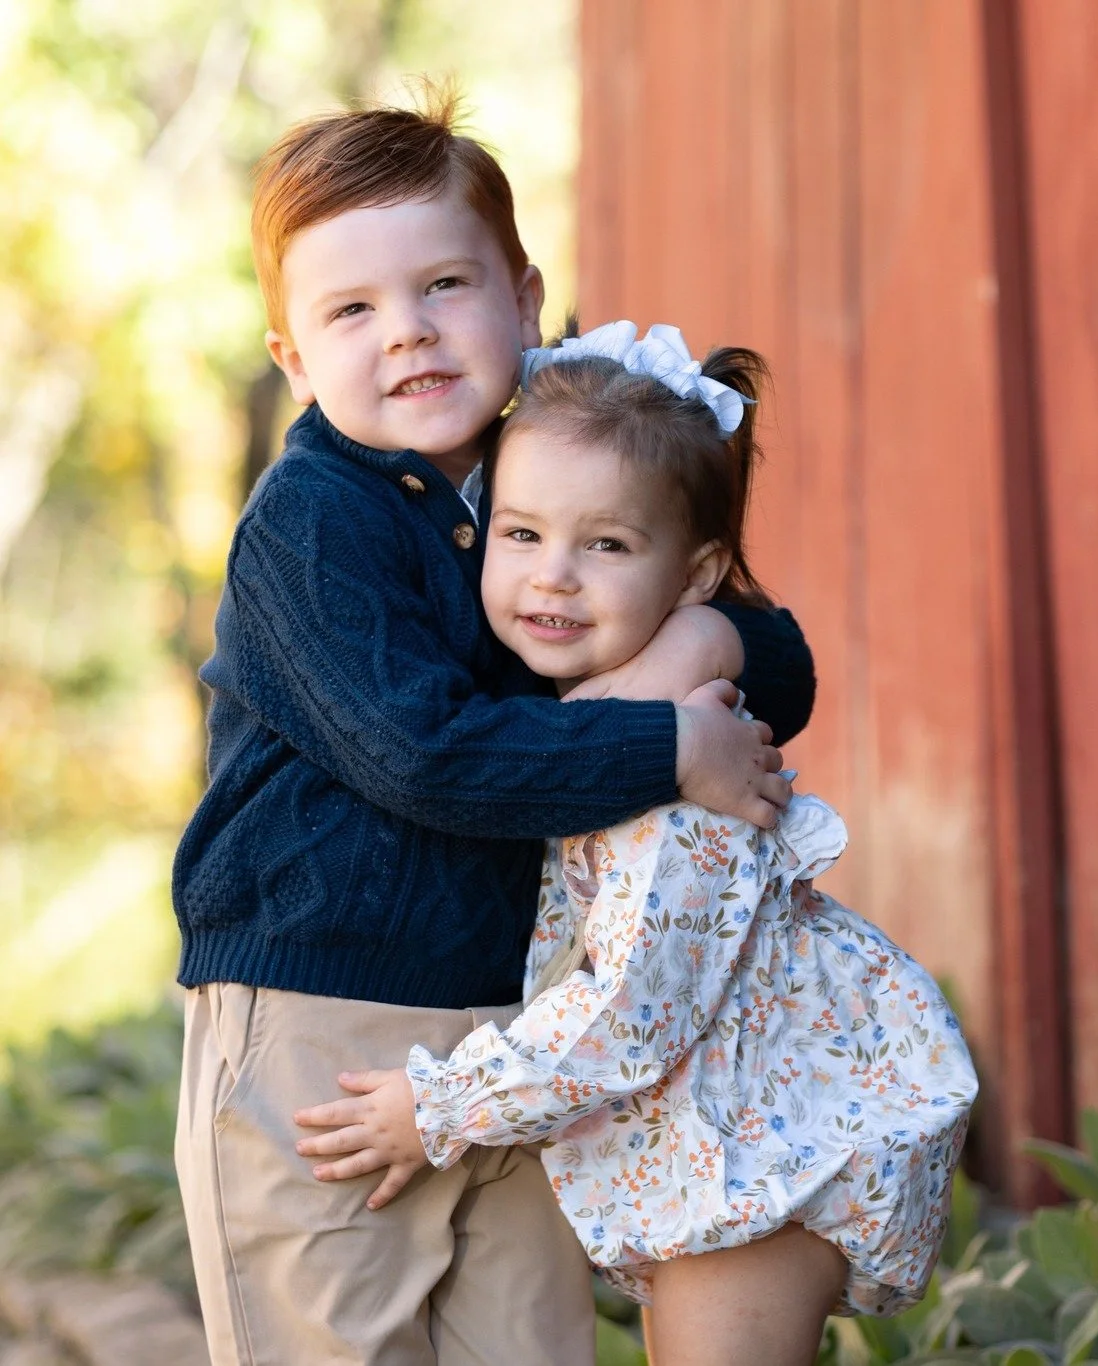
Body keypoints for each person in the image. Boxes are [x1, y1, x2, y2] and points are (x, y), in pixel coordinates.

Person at [172, 91, 816, 1366]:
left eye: (442, 285)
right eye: (350, 310)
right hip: (323, 1009)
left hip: (517, 1023)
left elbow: (769, 647)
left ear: (524, 297)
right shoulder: (314, 523)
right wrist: (665, 743)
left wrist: (700, 645)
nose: (404, 332)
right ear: (293, 356)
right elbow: (425, 752)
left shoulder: (563, 451)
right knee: (338, 1338)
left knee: (526, 1343)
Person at [294, 321, 979, 1366]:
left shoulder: (686, 792)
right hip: (710, 1157)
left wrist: (435, 1109)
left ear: (697, 573)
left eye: (605, 544)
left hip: (758, 1158)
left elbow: (627, 1017)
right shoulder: (600, 724)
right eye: (521, 534)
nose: (553, 578)